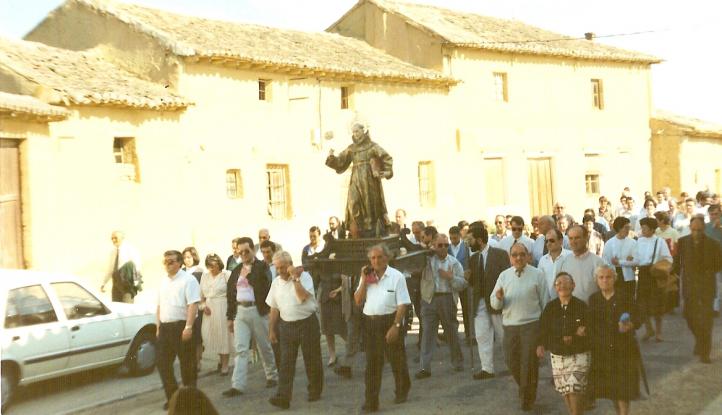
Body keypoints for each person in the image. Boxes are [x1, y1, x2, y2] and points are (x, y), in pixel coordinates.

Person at [490, 243, 550, 412]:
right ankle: (525, 389)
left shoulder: (537, 274)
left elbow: (545, 304)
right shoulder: (504, 276)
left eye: (522, 254)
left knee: (529, 363)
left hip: (531, 325)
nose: (518, 258)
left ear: (528, 256)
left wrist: (543, 334)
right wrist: (499, 298)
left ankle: (527, 398)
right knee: (511, 361)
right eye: (515, 255)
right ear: (510, 257)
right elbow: (494, 304)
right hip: (510, 327)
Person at [354, 244, 411, 413]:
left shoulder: (396, 277)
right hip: (370, 323)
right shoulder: (367, 276)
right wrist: (364, 280)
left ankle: (402, 389)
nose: (376, 261)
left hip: (390, 321)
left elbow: (402, 304)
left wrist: (396, 326)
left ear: (387, 258)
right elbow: (358, 300)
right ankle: (371, 402)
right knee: (372, 363)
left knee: (396, 359)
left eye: (379, 257)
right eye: (373, 258)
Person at [267, 251, 323, 409]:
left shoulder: (305, 277)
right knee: (286, 362)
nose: (280, 271)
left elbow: (302, 297)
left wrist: (295, 278)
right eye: (277, 268)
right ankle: (283, 396)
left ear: (290, 264)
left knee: (311, 359)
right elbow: (274, 308)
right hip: (287, 326)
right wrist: (271, 329)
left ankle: (315, 390)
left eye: (283, 267)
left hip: (307, 323)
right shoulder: (276, 283)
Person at [223, 237, 278, 397]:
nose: (243, 255)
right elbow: (230, 294)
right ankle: (237, 385)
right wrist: (230, 317)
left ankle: (272, 375)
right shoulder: (236, 270)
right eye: (240, 252)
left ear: (253, 250)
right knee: (241, 349)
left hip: (258, 310)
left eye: (246, 251)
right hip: (240, 311)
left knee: (264, 345)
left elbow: (265, 287)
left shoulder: (262, 266)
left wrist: (248, 275)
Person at [587, 265, 641, 415]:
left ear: (614, 279)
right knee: (612, 391)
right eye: (601, 277)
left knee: (623, 391)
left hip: (623, 349)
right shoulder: (594, 299)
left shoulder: (625, 297)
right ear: (597, 280)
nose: (605, 280)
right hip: (603, 351)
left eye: (608, 277)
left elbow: (638, 315)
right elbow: (590, 324)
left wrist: (630, 325)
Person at [326, 122, 393, 238]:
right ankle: (356, 228)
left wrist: (386, 171)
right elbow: (341, 160)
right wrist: (332, 157)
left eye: (357, 131)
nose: (355, 134)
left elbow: (386, 157)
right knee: (353, 203)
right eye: (353, 132)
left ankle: (370, 230)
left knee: (370, 204)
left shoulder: (372, 146)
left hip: (369, 180)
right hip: (356, 179)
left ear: (363, 131)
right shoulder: (351, 148)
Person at [536, 272, 590, 415]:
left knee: (574, 388)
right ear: (555, 288)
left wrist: (580, 332)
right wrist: (540, 345)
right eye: (558, 283)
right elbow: (543, 328)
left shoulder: (581, 305)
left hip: (579, 353)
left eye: (566, 282)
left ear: (573, 285)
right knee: (565, 390)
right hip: (558, 354)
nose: (562, 286)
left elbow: (590, 326)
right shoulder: (550, 307)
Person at [156, 250, 201, 410]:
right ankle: (174, 398)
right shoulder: (163, 281)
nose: (167, 265)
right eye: (165, 262)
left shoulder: (188, 280)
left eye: (171, 261)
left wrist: (188, 327)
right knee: (162, 364)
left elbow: (193, 304)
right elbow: (159, 305)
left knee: (187, 366)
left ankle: (190, 401)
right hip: (165, 328)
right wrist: (158, 326)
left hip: (182, 326)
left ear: (180, 263)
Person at [417, 233, 466, 378]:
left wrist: (451, 278)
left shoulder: (454, 262)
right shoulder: (427, 260)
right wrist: (427, 250)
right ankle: (424, 368)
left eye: (446, 245)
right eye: (440, 245)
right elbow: (412, 261)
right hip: (429, 299)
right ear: (434, 246)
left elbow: (463, 284)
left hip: (447, 298)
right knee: (427, 334)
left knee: (451, 332)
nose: (443, 248)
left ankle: (457, 362)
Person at [466, 222, 510, 380]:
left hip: (497, 302)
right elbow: (473, 283)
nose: (468, 243)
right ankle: (487, 368)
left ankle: (512, 364)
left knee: (503, 335)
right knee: (482, 336)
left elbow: (507, 277)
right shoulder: (473, 259)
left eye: (470, 240)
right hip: (480, 303)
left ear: (479, 240)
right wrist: (468, 278)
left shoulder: (500, 254)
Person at [675, 215, 722, 363]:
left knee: (706, 320)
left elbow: (718, 265)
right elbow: (677, 263)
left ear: (704, 229)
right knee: (689, 317)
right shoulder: (682, 242)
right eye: (693, 230)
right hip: (689, 286)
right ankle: (700, 340)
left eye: (699, 230)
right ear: (690, 228)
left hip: (706, 286)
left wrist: (706, 271)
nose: (696, 233)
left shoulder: (713, 244)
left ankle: (705, 352)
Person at [622, 217, 672, 342]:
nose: (642, 230)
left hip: (655, 274)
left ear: (652, 229)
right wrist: (630, 259)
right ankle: (649, 329)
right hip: (643, 274)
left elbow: (668, 259)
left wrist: (660, 266)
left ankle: (659, 332)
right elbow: (635, 257)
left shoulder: (660, 242)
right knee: (642, 305)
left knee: (657, 305)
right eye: (642, 228)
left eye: (644, 228)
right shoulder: (639, 241)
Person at [199, 254, 233, 376]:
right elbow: (200, 296)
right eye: (209, 266)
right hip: (209, 309)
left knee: (223, 335)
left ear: (219, 264)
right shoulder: (205, 276)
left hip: (222, 307)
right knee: (212, 335)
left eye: (214, 265)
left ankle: (225, 365)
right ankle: (220, 360)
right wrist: (203, 306)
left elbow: (232, 294)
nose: (211, 269)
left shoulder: (226, 275)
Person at [558, 226, 605, 304]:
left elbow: (604, 290)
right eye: (571, 238)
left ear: (586, 238)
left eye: (577, 238)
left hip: (590, 308)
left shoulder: (597, 262)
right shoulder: (566, 261)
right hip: (571, 307)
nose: (573, 241)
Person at [602, 217, 637, 301]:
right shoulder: (609, 243)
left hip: (629, 277)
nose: (628, 230)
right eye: (626, 228)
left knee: (629, 301)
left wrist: (620, 262)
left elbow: (636, 261)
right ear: (619, 228)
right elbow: (606, 262)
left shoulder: (633, 243)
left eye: (629, 228)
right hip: (615, 277)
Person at [101, 230, 141, 303]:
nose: (113, 240)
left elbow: (137, 265)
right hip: (116, 285)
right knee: (116, 306)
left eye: (115, 238)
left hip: (127, 284)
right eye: (112, 238)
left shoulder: (130, 249)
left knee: (127, 307)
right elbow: (110, 269)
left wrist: (136, 282)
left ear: (122, 238)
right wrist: (103, 283)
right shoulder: (113, 252)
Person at [182, 247, 204, 371]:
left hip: (196, 306)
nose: (187, 260)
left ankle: (198, 361)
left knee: (197, 336)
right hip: (184, 307)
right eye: (185, 257)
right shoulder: (182, 272)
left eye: (189, 257)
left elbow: (202, 290)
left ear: (194, 257)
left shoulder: (199, 272)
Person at [448, 225, 471, 341]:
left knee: (466, 310)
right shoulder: (447, 248)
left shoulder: (467, 247)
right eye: (451, 238)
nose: (453, 240)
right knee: (452, 309)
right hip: (451, 282)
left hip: (465, 282)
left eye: (455, 238)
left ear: (460, 236)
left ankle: (469, 334)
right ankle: (453, 335)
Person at [538, 228, 572, 300]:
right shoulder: (543, 260)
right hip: (548, 301)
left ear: (560, 241)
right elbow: (540, 282)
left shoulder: (570, 256)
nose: (548, 243)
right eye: (546, 241)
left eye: (552, 240)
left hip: (567, 299)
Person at [705, 204, 722, 315]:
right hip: (712, 259)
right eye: (711, 214)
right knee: (716, 282)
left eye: (716, 214)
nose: (714, 216)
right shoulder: (706, 227)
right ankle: (715, 307)